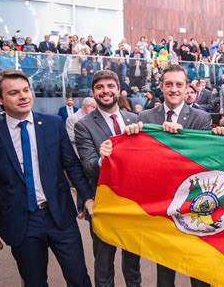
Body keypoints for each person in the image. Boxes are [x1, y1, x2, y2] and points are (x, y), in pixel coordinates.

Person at [0, 69, 94, 286]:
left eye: (26, 90)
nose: (24, 96)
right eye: (14, 93)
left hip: (60, 217)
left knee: (79, 278)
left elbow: (71, 165)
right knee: (34, 282)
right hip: (21, 223)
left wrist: (87, 196)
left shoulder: (53, 124)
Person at [104, 64, 211, 287]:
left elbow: (204, 159)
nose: (174, 89)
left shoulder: (201, 118)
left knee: (200, 270)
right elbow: (139, 159)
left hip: (192, 204)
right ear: (161, 87)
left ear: (186, 88)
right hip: (161, 206)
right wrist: (129, 136)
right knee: (165, 271)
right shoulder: (144, 116)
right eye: (169, 84)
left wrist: (179, 139)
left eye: (179, 84)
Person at [74, 70, 141, 287]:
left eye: (110, 86)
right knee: (104, 265)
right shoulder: (83, 125)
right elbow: (89, 167)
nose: (106, 91)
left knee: (132, 266)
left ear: (119, 89)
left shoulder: (135, 119)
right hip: (103, 206)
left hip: (132, 206)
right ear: (93, 92)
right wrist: (103, 159)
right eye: (100, 87)